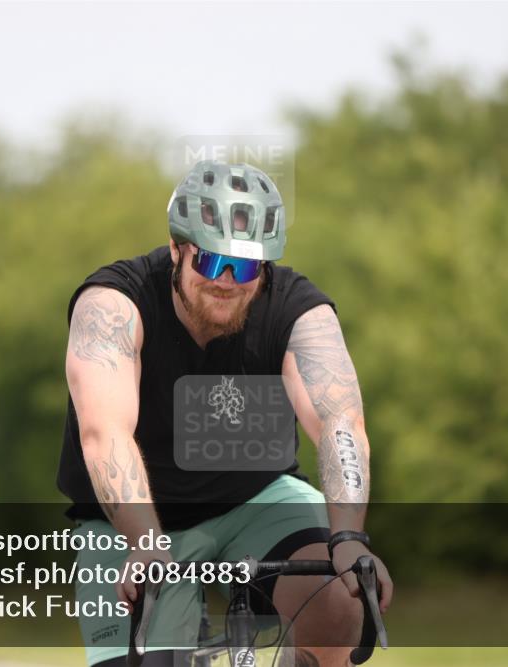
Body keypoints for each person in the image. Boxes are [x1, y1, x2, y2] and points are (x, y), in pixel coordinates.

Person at [57, 159, 393, 666]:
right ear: (176, 248)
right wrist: (145, 542)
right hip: (133, 520)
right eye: (212, 262)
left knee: (339, 596)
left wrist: (348, 537)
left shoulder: (299, 312)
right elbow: (106, 434)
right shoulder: (112, 304)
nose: (229, 281)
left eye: (248, 265)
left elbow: (340, 424)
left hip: (255, 500)